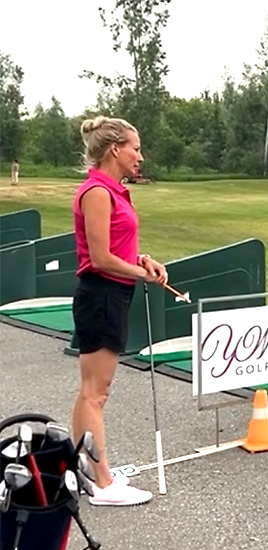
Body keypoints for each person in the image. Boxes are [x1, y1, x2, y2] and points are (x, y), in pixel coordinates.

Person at [71, 116, 168, 506]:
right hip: (102, 294)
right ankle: (103, 483)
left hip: (113, 291)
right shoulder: (97, 191)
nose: (139, 156)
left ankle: (78, 470)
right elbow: (99, 257)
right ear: (115, 149)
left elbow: (118, 247)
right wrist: (139, 274)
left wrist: (142, 260)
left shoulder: (116, 190)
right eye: (135, 148)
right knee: (97, 392)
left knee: (90, 392)